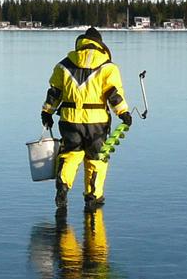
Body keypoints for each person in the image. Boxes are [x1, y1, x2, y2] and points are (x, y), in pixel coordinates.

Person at [41, 26, 132, 211]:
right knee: (96, 159)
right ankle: (93, 197)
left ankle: (63, 185)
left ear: (80, 44)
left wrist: (47, 113)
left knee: (70, 155)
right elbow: (113, 95)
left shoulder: (63, 65)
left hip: (69, 120)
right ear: (100, 45)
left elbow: (54, 93)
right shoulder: (108, 67)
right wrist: (123, 113)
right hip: (96, 123)